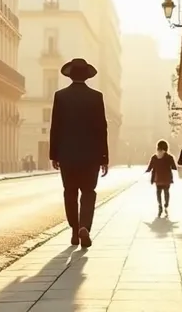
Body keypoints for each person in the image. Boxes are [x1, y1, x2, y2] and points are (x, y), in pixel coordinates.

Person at [48, 58, 109, 249]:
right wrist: (104, 157)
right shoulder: (96, 97)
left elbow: (55, 127)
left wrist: (54, 155)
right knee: (89, 192)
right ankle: (85, 227)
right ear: (87, 76)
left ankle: (74, 230)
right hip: (91, 156)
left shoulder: (60, 96)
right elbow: (102, 128)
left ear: (70, 75)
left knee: (70, 192)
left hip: (67, 155)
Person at [145, 140, 178, 216]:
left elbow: (149, 168)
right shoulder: (169, 157)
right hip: (167, 178)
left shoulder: (154, 157)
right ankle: (166, 205)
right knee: (166, 192)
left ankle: (160, 205)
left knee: (158, 192)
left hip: (158, 178)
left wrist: (146, 172)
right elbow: (174, 167)